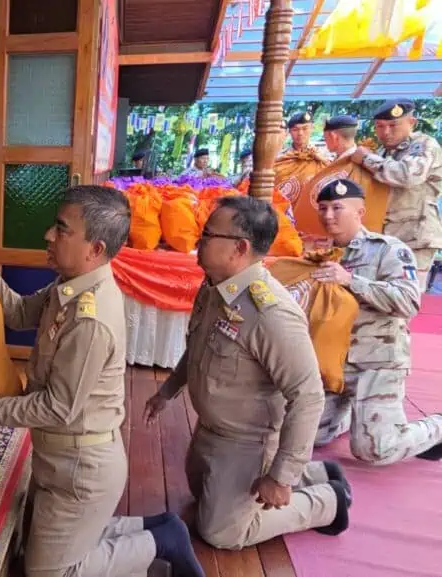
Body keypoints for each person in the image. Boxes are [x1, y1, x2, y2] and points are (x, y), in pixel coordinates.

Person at [0, 186, 205, 577]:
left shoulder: (90, 318)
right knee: (32, 548)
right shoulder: (71, 286)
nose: (49, 236)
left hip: (80, 473)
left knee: (48, 573)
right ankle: (159, 527)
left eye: (62, 230)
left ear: (95, 249)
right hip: (59, 460)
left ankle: (162, 542)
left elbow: (56, 407)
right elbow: (16, 313)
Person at [143, 195, 351, 551]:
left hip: (248, 440)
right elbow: (198, 347)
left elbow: (308, 396)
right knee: (198, 493)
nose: (197, 241)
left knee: (221, 532)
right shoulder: (214, 287)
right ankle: (313, 472)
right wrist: (168, 391)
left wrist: (281, 477)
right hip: (212, 429)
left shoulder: (270, 313)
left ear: (239, 248)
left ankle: (326, 502)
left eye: (208, 235)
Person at [310, 178, 442, 462]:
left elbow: (408, 302)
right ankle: (356, 414)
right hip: (333, 363)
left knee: (374, 450)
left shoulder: (389, 250)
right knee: (308, 436)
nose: (328, 215)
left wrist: (351, 281)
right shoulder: (319, 254)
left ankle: (437, 427)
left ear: (360, 212)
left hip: (376, 362)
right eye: (322, 208)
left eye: (337, 207)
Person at [350, 98, 442, 293]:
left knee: (404, 296)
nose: (386, 132)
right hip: (385, 235)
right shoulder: (383, 152)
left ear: (411, 122)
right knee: (380, 295)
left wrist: (367, 158)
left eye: (393, 125)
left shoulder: (425, 144)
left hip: (415, 235)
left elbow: (407, 175)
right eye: (380, 126)